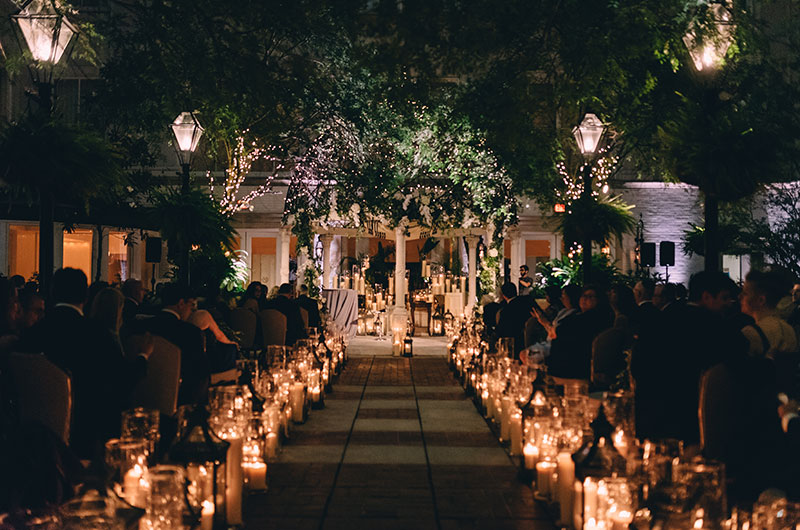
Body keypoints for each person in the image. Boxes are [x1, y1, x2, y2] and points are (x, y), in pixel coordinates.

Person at [20, 268, 150, 459]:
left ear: (52, 293)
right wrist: (143, 356)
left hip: (32, 435)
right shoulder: (96, 334)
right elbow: (123, 382)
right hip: (87, 433)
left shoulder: (30, 335)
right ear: (86, 297)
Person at [631, 271, 748, 445]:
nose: (727, 304)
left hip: (652, 413)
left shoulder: (662, 319)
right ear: (707, 297)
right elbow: (738, 356)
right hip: (693, 418)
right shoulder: (715, 328)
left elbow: (637, 365)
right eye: (724, 298)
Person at [136, 283, 210, 405]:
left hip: (140, 396)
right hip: (179, 399)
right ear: (181, 303)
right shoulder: (191, 333)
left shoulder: (140, 326)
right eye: (191, 305)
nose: (192, 310)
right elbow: (200, 375)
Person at [546, 285, 613, 380]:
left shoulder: (595, 319)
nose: (585, 299)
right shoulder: (574, 315)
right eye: (583, 296)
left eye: (590, 296)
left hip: (575, 366)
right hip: (559, 363)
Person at [188, 309, 238, 373]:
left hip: (190, 358)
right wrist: (232, 344)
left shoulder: (182, 319)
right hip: (207, 359)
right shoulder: (202, 315)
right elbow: (220, 336)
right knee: (231, 348)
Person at [495, 282, 533, 358]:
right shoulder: (528, 301)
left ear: (503, 295)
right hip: (532, 343)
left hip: (514, 347)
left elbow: (501, 332)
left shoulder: (506, 311)